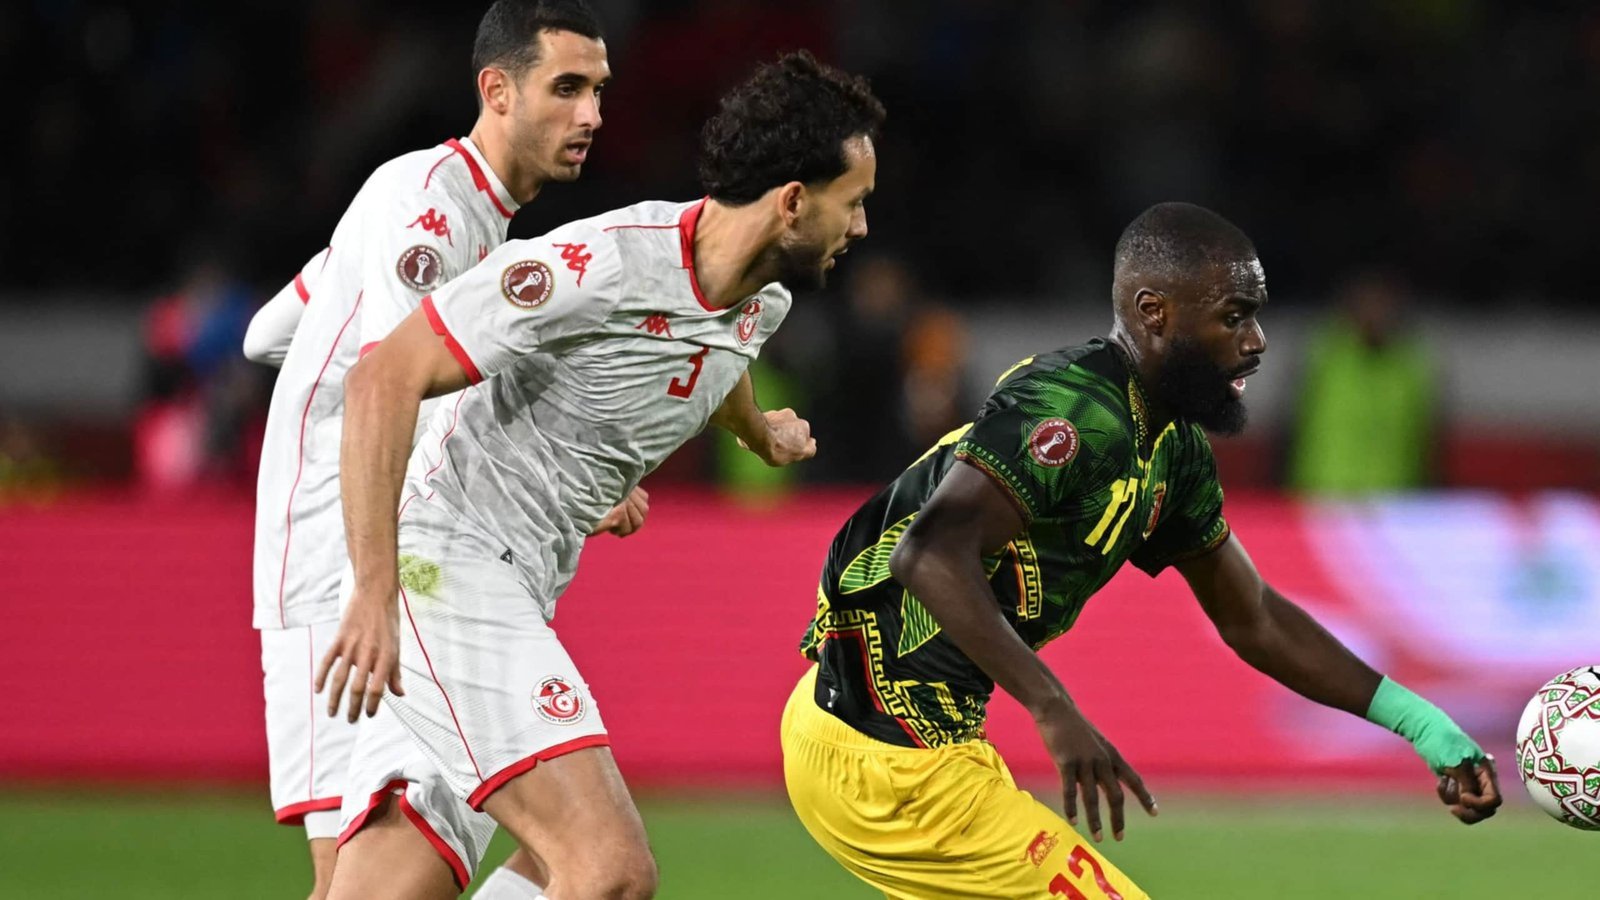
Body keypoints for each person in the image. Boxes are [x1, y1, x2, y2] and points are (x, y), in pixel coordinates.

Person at [782, 203, 1501, 900]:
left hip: (881, 742)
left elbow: (1253, 616)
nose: (1256, 340)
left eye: (1255, 314)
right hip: (887, 758)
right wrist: (1053, 707)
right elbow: (928, 554)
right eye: (1233, 315)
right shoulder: (1074, 408)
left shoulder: (1174, 449)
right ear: (1155, 312)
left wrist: (1422, 724)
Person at [318, 51, 885, 900]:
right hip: (442, 571)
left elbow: (717, 349)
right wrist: (374, 589)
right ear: (794, 202)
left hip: (512, 586)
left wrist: (757, 432)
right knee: (606, 871)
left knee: (398, 887)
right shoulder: (597, 268)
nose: (865, 227)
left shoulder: (763, 299)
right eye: (857, 202)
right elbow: (384, 378)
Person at [242, 3, 617, 897]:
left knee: (361, 871)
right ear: (497, 89)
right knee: (425, 856)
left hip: (314, 563)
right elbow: (396, 372)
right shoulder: (434, 215)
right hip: (356, 565)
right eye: (566, 89)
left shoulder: (417, 200)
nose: (593, 116)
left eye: (599, 91)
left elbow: (265, 334)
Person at [1287, 268, 1438, 495]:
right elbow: (1291, 428)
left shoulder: (1411, 367)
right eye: (1368, 304)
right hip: (1323, 495)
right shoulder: (1324, 356)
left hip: (1393, 498)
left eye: (1383, 306)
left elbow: (1425, 441)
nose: (1375, 314)